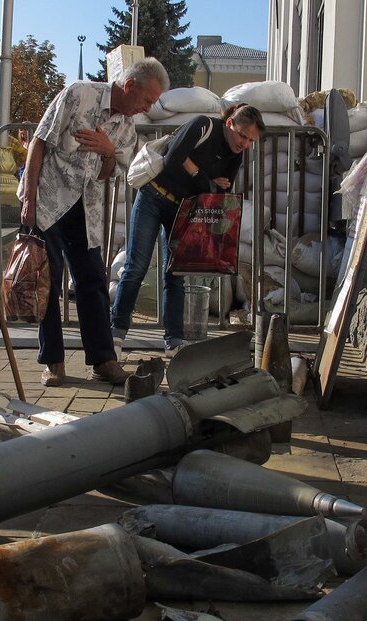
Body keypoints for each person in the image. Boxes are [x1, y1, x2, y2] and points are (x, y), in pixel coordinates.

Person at [19, 58, 167, 387]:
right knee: (48, 282)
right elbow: (39, 143)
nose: (147, 108)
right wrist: (28, 199)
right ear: (130, 86)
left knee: (93, 281)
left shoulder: (126, 129)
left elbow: (106, 175)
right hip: (47, 200)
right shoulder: (79, 94)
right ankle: (53, 361)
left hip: (85, 210)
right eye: (146, 100)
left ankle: (103, 360)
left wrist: (109, 151)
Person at [110, 104, 264, 355]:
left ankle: (173, 340)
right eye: (242, 135)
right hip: (152, 197)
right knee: (136, 266)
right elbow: (172, 161)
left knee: (175, 274)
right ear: (229, 124)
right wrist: (205, 180)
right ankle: (116, 334)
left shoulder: (236, 154)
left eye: (250, 140)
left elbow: (221, 192)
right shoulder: (202, 124)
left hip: (182, 210)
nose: (245, 143)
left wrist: (193, 169)